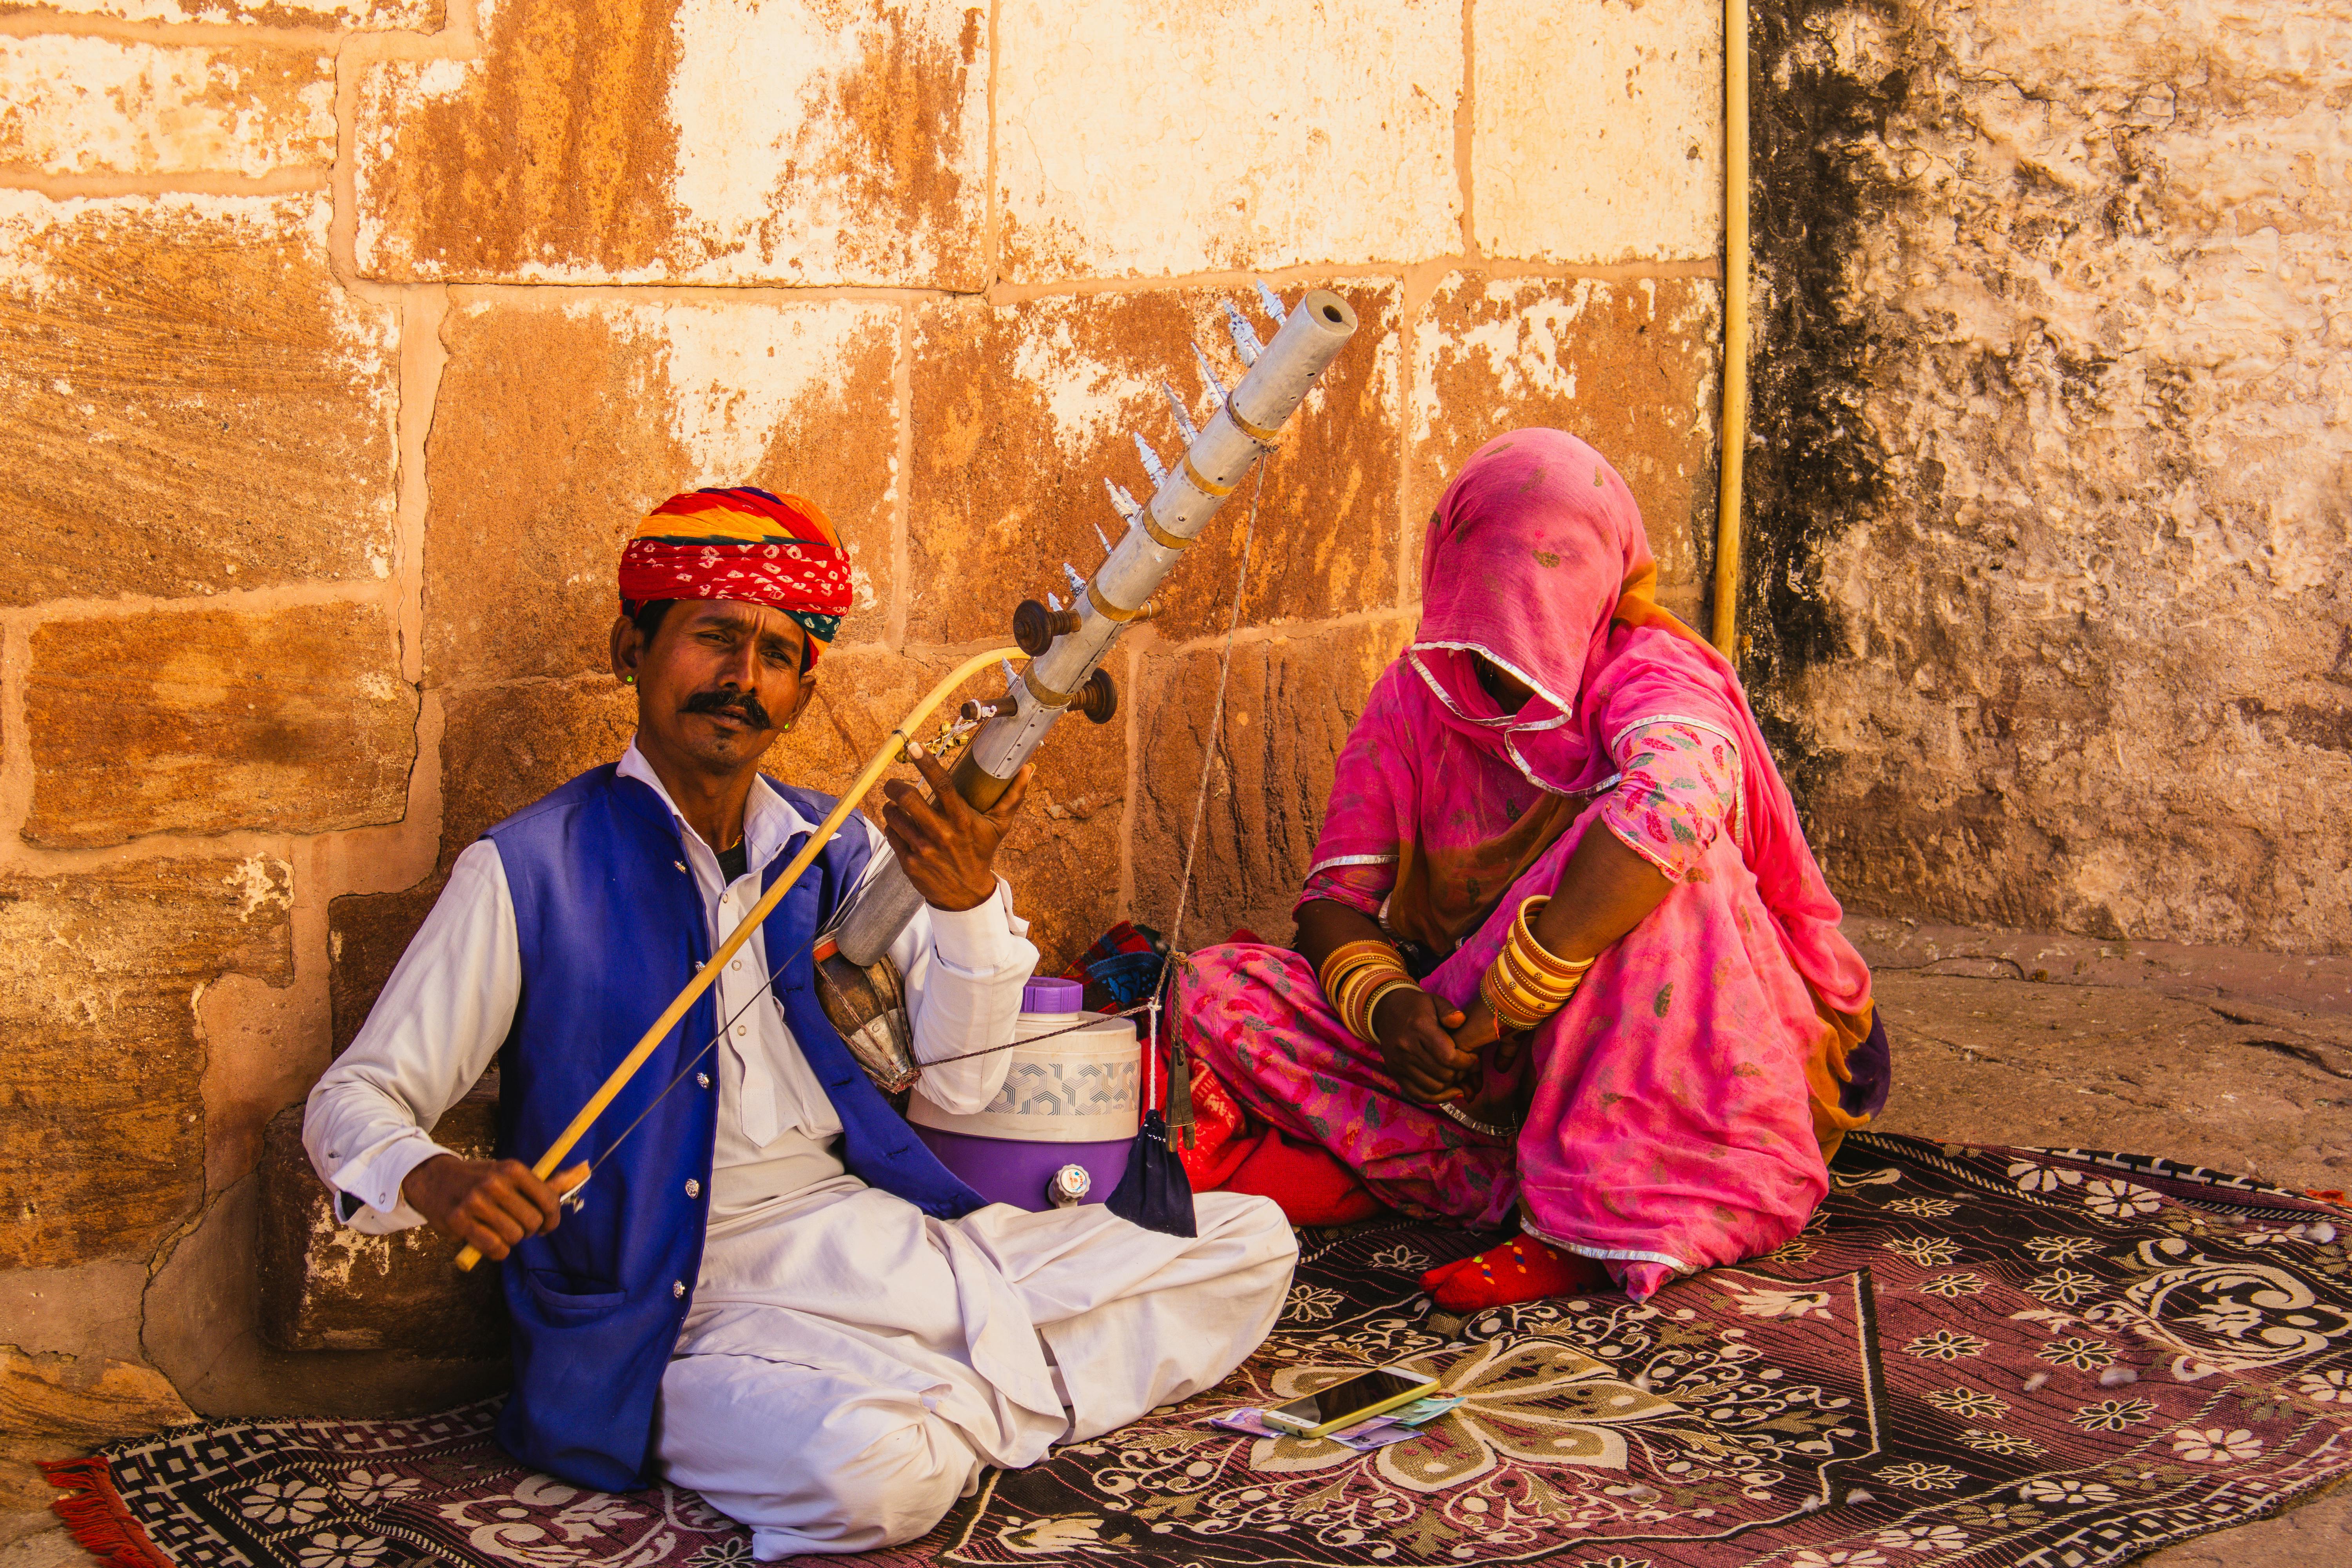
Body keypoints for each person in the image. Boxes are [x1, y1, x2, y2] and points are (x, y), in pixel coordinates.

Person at [305, 486, 1297, 1558]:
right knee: (869, 1477)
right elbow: (353, 1098)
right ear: (630, 645)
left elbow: (961, 1089)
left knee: (1250, 1243)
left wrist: (965, 902)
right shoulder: (527, 870)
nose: (743, 680)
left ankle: (952, 1395)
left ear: (804, 691)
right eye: (715, 640)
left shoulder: (839, 851)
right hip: (679, 1312)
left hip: (877, 1242)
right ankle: (985, 1390)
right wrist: (432, 1177)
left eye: (777, 656)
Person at [1172, 430, 1888, 1312]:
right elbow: (1335, 900)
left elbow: (1674, 800)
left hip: (1675, 1035)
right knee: (1213, 988)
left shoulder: (1654, 674)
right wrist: (1394, 1007)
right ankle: (1542, 1169)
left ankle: (1606, 1212)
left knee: (1669, 866)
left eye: (1550, 578)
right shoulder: (1417, 697)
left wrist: (1523, 979)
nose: (1515, 619)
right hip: (1476, 1046)